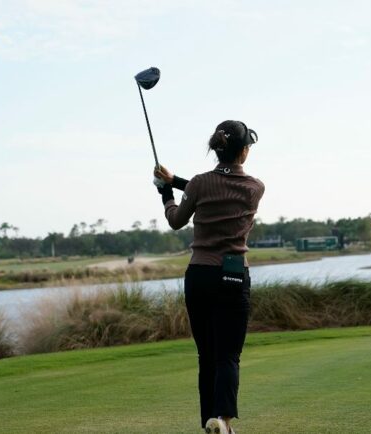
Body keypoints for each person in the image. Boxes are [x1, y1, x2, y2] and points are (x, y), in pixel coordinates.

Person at [153, 120, 264, 434]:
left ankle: (209, 423)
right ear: (244, 151)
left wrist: (166, 191)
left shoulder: (200, 184)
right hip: (233, 275)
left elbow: (177, 218)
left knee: (207, 356)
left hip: (199, 275)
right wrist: (174, 181)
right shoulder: (255, 187)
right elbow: (220, 186)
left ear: (217, 148)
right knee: (228, 356)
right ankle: (223, 420)